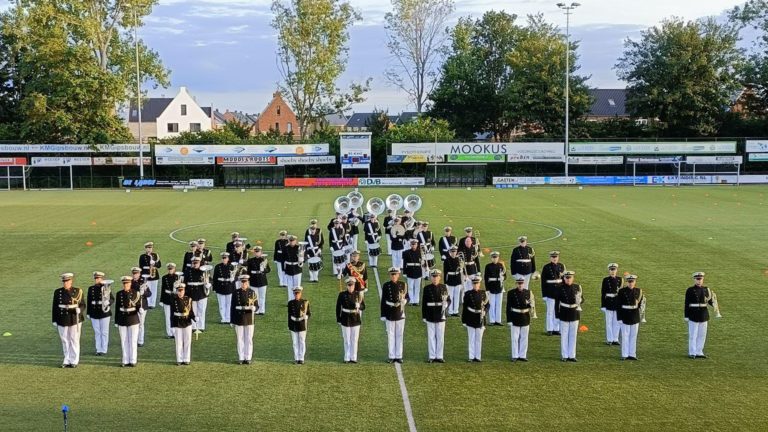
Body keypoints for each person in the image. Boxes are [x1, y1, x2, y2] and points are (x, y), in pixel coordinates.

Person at [52, 272, 85, 368]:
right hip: (62, 318)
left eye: (67, 281)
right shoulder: (58, 292)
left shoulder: (78, 291)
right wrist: (54, 319)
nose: (65, 283)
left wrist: (80, 309)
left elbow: (82, 304)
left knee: (74, 339)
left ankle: (74, 360)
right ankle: (66, 359)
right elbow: (55, 307)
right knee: (64, 340)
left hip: (74, 317)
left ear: (71, 281)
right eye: (64, 281)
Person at [381, 267, 408, 363]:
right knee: (391, 335)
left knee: (399, 335)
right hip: (390, 312)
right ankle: (392, 355)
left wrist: (405, 300)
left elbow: (407, 296)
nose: (393, 276)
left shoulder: (403, 285)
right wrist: (383, 314)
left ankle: (399, 355)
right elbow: (383, 300)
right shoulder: (386, 285)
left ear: (398, 275)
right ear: (390, 275)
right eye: (392, 274)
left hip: (400, 312)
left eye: (395, 274)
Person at [555, 271, 584, 362]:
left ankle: (572, 355)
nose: (568, 279)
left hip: (574, 312)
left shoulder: (577, 287)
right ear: (564, 278)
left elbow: (582, 299)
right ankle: (564, 355)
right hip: (564, 312)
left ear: (573, 278)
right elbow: (556, 303)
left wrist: (580, 300)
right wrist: (557, 314)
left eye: (570, 277)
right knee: (564, 335)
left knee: (573, 335)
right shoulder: (559, 288)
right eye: (567, 278)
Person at [685, 272, 715, 359]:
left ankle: (699, 351)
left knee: (702, 334)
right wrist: (686, 316)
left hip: (703, 314)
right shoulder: (690, 290)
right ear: (694, 280)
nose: (699, 281)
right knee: (693, 335)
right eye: (697, 279)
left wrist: (714, 304)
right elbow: (687, 303)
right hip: (693, 314)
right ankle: (692, 352)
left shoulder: (706, 290)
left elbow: (709, 301)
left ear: (703, 279)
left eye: (700, 279)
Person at [422, 269, 450, 363]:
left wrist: (446, 305)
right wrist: (424, 316)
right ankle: (432, 355)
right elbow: (424, 303)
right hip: (430, 313)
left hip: (440, 314)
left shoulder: (444, 287)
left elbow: (448, 299)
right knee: (431, 336)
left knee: (440, 336)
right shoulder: (427, 288)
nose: (435, 278)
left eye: (436, 276)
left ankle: (439, 355)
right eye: (433, 277)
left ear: (440, 277)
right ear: (431, 278)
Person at [231, 274, 258, 365]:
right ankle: (241, 357)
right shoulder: (236, 292)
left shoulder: (252, 292)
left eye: (245, 282)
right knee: (240, 339)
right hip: (239, 318)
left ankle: (248, 357)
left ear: (248, 282)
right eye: (242, 282)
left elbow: (257, 305)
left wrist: (255, 308)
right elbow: (232, 307)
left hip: (249, 318)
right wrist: (232, 320)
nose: (244, 284)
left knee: (249, 339)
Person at [336, 278, 364, 363]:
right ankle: (347, 357)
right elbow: (338, 307)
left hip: (355, 318)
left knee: (354, 339)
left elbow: (363, 307)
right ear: (347, 286)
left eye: (352, 285)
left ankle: (353, 357)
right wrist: (338, 318)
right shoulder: (342, 294)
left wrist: (359, 305)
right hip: (345, 318)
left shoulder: (358, 294)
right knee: (347, 339)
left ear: (354, 285)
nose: (350, 287)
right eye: (349, 285)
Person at [115, 276, 140, 367]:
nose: (126, 285)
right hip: (122, 318)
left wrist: (139, 309)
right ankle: (125, 360)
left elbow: (138, 306)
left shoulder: (135, 293)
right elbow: (117, 308)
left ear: (130, 283)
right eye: (124, 283)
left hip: (133, 318)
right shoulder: (119, 294)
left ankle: (133, 360)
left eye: (127, 283)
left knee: (133, 340)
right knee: (124, 340)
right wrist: (116, 321)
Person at [506, 276, 533, 362]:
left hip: (525, 316)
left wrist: (530, 305)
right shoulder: (511, 293)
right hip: (515, 316)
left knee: (524, 337)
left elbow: (530, 306)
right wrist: (509, 320)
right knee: (515, 337)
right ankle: (515, 355)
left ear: (524, 284)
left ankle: (522, 355)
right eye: (519, 283)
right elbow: (508, 307)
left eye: (522, 283)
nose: (520, 285)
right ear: (516, 284)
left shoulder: (528, 293)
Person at [462, 276, 489, 362]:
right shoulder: (468, 294)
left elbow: (488, 304)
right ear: (472, 284)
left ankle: (478, 356)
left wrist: (485, 311)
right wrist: (464, 320)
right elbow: (465, 307)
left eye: (477, 283)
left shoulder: (483, 293)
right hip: (471, 317)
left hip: (480, 317)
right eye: (474, 283)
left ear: (479, 284)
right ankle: (471, 356)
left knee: (479, 339)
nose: (476, 285)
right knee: (471, 338)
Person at [86, 271, 113, 356]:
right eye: (96, 278)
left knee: (104, 332)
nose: (97, 280)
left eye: (99, 278)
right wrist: (88, 312)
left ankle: (104, 349)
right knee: (97, 332)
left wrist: (108, 302)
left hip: (104, 312)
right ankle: (98, 349)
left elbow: (112, 299)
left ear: (102, 279)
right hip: (94, 311)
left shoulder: (106, 287)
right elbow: (89, 301)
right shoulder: (91, 288)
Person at [617, 274, 643, 360]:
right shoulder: (622, 291)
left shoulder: (639, 291)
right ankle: (624, 354)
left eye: (632, 282)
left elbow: (641, 305)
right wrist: (619, 318)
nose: (631, 283)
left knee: (633, 336)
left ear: (635, 282)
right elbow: (618, 306)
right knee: (625, 335)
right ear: (627, 282)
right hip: (625, 315)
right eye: (629, 282)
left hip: (635, 315)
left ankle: (632, 354)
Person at [540, 251, 565, 336]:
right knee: (550, 311)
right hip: (550, 291)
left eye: (556, 257)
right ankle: (549, 329)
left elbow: (564, 280)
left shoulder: (561, 266)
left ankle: (556, 329)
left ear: (558, 257)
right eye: (553, 257)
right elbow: (543, 282)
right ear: (550, 258)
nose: (554, 258)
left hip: (559, 292)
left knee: (558, 311)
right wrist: (544, 295)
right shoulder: (546, 267)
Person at [170, 283, 195, 366]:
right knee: (179, 342)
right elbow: (171, 314)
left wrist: (194, 318)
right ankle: (179, 359)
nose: (181, 292)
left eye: (182, 291)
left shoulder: (188, 299)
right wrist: (172, 326)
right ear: (177, 291)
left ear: (184, 291)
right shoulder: (174, 300)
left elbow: (190, 311)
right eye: (179, 291)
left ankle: (186, 358)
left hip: (187, 322)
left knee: (187, 341)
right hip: (177, 322)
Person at [184, 257, 210, 333]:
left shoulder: (203, 271)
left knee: (201, 310)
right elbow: (185, 282)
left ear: (199, 263)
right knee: (193, 311)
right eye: (194, 263)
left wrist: (208, 284)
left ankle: (201, 326)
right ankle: (194, 326)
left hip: (201, 293)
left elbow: (209, 280)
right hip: (191, 293)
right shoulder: (188, 271)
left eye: (197, 263)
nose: (195, 265)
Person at [288, 286, 311, 364]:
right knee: (295, 342)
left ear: (301, 293)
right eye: (295, 293)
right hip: (293, 324)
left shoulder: (305, 303)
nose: (296, 295)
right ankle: (296, 358)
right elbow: (289, 315)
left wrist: (306, 317)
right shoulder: (290, 303)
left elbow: (309, 313)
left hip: (301, 324)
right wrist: (289, 326)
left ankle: (301, 358)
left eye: (298, 293)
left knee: (301, 341)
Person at [129, 267, 151, 347]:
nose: (135, 275)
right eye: (134, 273)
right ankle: (133, 339)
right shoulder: (130, 282)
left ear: (139, 274)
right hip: (133, 306)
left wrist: (144, 292)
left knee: (141, 324)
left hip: (143, 306)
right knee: (133, 324)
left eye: (136, 273)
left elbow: (149, 294)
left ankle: (140, 340)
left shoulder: (143, 282)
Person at [601, 263, 622, 346]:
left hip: (617, 302)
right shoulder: (605, 280)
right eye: (611, 270)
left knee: (617, 322)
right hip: (609, 301)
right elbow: (603, 293)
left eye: (614, 270)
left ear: (616, 270)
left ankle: (615, 339)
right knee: (609, 322)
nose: (613, 271)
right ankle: (609, 339)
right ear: (609, 270)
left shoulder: (620, 279)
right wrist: (603, 305)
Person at [484, 251, 507, 326]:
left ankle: (498, 320)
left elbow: (505, 275)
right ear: (491, 258)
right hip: (491, 287)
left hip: (499, 286)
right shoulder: (488, 266)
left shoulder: (501, 265)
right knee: (492, 304)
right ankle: (492, 320)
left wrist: (503, 278)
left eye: (496, 257)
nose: (495, 259)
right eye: (493, 258)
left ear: (498, 258)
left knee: (499, 304)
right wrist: (487, 289)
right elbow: (486, 278)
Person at [246, 246, 270, 315]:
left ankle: (262, 310)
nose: (257, 253)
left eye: (258, 251)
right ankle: (256, 309)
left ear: (261, 252)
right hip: (253, 280)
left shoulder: (264, 260)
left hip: (262, 280)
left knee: (262, 296)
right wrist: (248, 280)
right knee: (255, 296)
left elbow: (268, 270)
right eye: (256, 252)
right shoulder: (251, 260)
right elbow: (248, 271)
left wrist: (264, 270)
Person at [213, 252, 235, 324]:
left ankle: (228, 318)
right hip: (220, 287)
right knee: (221, 304)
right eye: (223, 258)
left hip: (229, 286)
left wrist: (233, 283)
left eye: (225, 258)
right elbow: (215, 278)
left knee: (229, 304)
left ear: (228, 259)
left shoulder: (231, 266)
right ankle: (223, 318)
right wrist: (214, 288)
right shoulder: (217, 267)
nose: (224, 259)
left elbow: (234, 277)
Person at [159, 263, 181, 338]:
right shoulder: (164, 277)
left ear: (174, 269)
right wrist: (161, 300)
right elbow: (163, 289)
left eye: (171, 269)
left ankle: (175, 332)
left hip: (175, 298)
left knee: (174, 316)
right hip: (167, 298)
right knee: (167, 316)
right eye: (169, 269)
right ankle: (169, 333)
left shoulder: (178, 277)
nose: (170, 270)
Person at [138, 241, 161, 309]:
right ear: (145, 248)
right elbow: (140, 266)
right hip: (145, 274)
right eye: (148, 248)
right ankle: (147, 302)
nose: (149, 249)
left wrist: (154, 263)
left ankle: (152, 304)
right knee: (147, 289)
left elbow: (159, 265)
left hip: (154, 274)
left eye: (150, 248)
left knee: (154, 289)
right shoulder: (142, 256)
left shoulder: (155, 255)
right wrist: (141, 276)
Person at [402, 239, 423, 305]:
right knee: (410, 287)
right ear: (410, 245)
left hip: (418, 271)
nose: (414, 246)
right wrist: (404, 272)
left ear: (417, 245)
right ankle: (411, 300)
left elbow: (424, 263)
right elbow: (404, 263)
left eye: (415, 244)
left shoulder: (421, 252)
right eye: (412, 244)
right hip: (410, 271)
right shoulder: (406, 252)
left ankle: (416, 301)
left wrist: (424, 263)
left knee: (417, 287)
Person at [443, 246, 463, 317]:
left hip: (457, 280)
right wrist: (445, 283)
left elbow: (460, 272)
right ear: (449, 252)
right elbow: (445, 272)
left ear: (456, 252)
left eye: (454, 252)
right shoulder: (446, 261)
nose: (453, 253)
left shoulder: (458, 260)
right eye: (452, 252)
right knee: (450, 296)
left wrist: (461, 282)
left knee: (457, 296)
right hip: (450, 280)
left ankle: (456, 311)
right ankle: (450, 311)